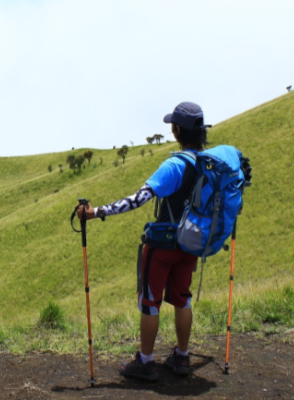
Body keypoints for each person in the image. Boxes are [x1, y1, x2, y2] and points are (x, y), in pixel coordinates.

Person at [77, 101, 209, 381]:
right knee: (183, 299)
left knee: (150, 302)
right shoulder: (210, 165)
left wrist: (96, 212)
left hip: (162, 245)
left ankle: (146, 362)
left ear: (176, 131)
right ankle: (182, 359)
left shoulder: (174, 165)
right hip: (191, 243)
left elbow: (138, 199)